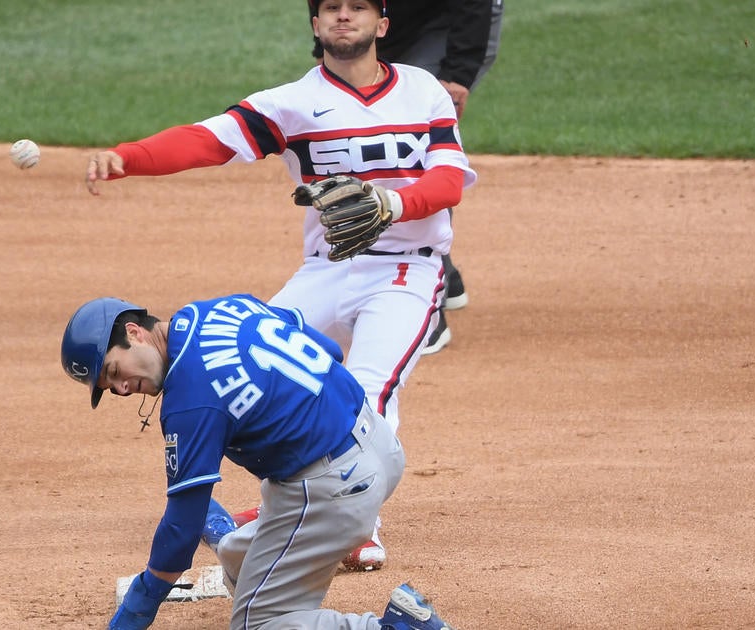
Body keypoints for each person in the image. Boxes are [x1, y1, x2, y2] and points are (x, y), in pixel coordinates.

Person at [84, 0, 477, 572]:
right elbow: (207, 140)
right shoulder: (292, 103)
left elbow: (447, 181)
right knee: (254, 362)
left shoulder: (423, 92)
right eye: (332, 8)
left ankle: (357, 526)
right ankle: (288, 504)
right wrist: (128, 157)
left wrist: (394, 202)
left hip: (405, 270)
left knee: (366, 391)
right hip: (327, 266)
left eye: (359, 7)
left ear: (382, 24)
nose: (345, 16)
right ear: (315, 26)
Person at [60, 294, 456, 629]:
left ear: (134, 332)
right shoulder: (223, 307)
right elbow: (330, 351)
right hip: (380, 446)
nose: (123, 388)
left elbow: (180, 531)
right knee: (237, 558)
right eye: (110, 388)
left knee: (259, 623)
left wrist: (137, 608)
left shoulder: (189, 399)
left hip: (331, 490)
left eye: (114, 371)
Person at [342, 0, 506, 314]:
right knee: (361, 123)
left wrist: (459, 70)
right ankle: (448, 276)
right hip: (387, 16)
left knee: (408, 141)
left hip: (452, 17)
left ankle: (427, 302)